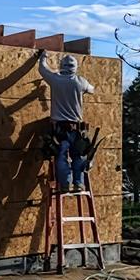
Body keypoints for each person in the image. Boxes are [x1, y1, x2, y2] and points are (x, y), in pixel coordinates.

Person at [38, 49, 95, 192]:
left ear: (61, 65)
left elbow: (42, 69)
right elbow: (92, 89)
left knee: (61, 156)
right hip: (76, 129)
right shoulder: (80, 82)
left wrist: (43, 55)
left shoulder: (55, 79)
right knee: (78, 155)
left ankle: (64, 184)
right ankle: (78, 183)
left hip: (59, 129)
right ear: (75, 68)